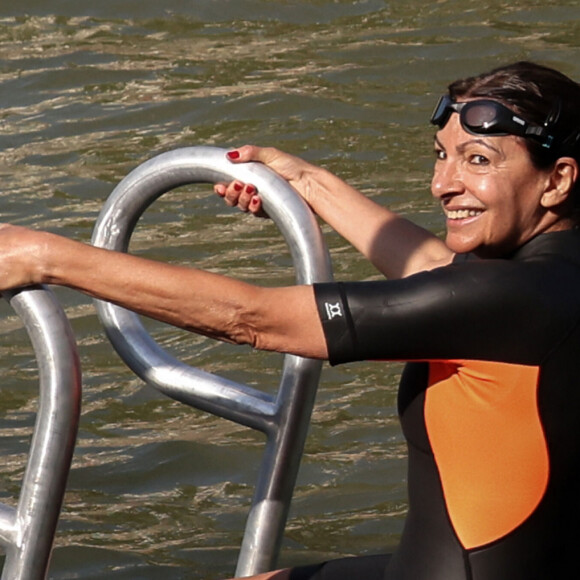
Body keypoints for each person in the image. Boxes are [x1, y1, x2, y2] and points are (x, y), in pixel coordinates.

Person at [1, 61, 579, 579]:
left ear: (558, 180)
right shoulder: (549, 280)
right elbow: (434, 267)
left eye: (477, 161)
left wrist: (44, 255)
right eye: (440, 154)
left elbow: (254, 320)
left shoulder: (506, 300)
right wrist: (303, 181)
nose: (441, 184)